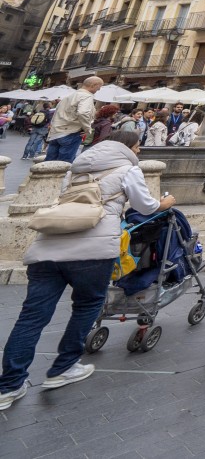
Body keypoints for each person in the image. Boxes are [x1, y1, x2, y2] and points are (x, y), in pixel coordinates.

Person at [0, 131, 174, 411]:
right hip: (92, 252)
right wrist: (166, 202)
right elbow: (146, 206)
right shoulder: (127, 169)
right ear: (128, 146)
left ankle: (9, 386)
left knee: (31, 317)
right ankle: (63, 368)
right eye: (138, 147)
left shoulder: (76, 168)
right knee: (87, 305)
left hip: (48, 248)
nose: (139, 152)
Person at [44, 76, 101, 162]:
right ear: (93, 85)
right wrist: (87, 129)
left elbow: (57, 112)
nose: (99, 89)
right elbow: (83, 112)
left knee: (49, 162)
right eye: (99, 87)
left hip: (56, 132)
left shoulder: (69, 96)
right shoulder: (86, 96)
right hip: (71, 132)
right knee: (63, 164)